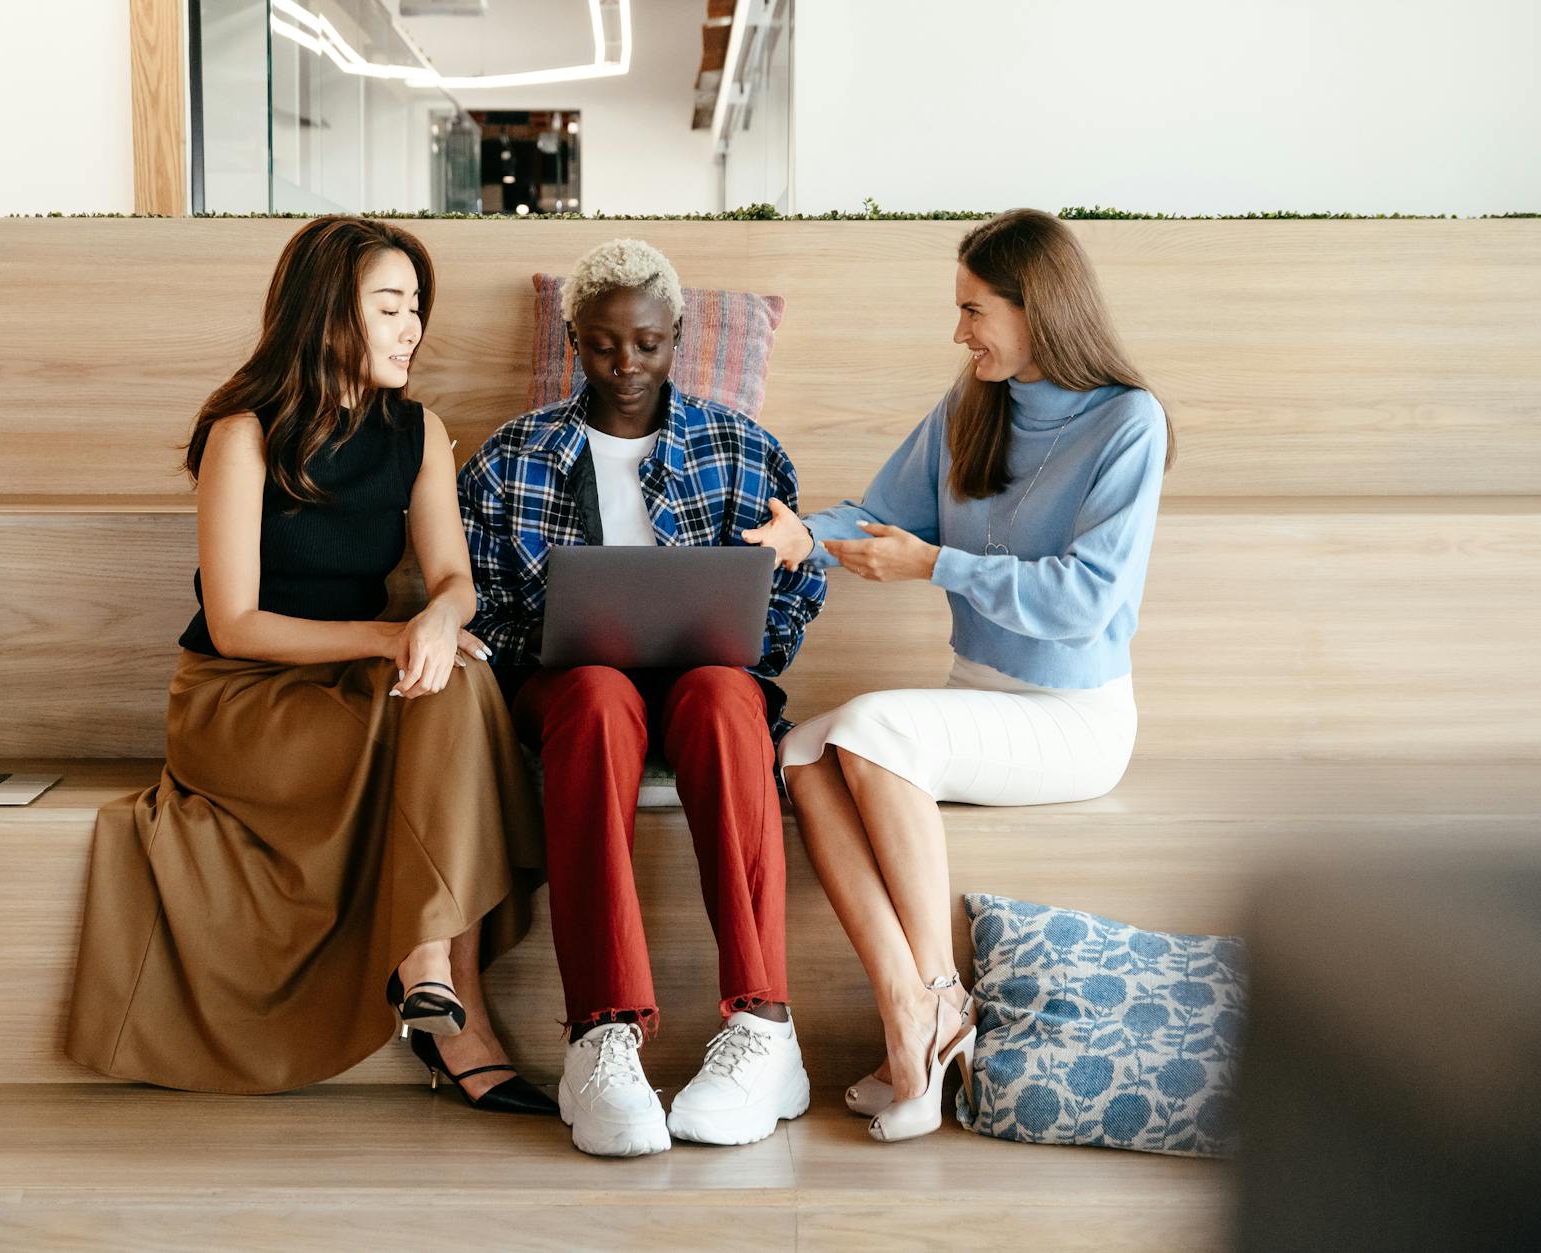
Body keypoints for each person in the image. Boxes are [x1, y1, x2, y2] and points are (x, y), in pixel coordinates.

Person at [66, 215, 555, 1116]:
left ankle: (433, 977)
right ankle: (453, 1014)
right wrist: (391, 636)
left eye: (417, 307)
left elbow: (453, 577)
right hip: (240, 701)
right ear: (328, 311)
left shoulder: (418, 433)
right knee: (441, 695)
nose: (412, 327)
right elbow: (237, 621)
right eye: (389, 306)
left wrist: (441, 621)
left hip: (350, 691)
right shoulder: (242, 433)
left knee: (464, 681)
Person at [744, 208, 1175, 1143]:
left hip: (1074, 718)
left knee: (871, 731)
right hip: (978, 691)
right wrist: (802, 535)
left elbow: (1086, 601)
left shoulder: (1128, 422)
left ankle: (941, 996)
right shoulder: (973, 403)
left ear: (1039, 308)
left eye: (975, 311)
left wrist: (936, 564)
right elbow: (881, 510)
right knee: (804, 749)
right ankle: (908, 1004)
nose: (960, 332)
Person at [458, 238, 827, 1157]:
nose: (628, 366)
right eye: (605, 346)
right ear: (574, 340)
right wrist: (547, 639)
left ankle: (765, 1028)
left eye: (649, 344)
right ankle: (601, 1034)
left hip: (708, 685)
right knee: (593, 695)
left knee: (721, 697)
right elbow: (476, 602)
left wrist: (749, 635)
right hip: (574, 692)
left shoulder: (742, 446)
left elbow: (793, 587)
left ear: (678, 337)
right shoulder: (513, 456)